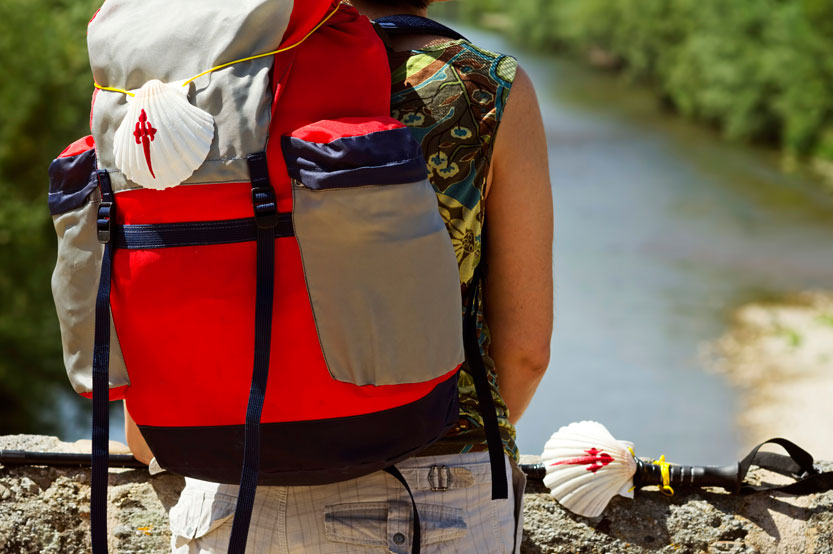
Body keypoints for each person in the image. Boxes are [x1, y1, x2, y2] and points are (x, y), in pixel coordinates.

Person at [125, 1, 552, 552]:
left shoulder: (216, 74)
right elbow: (526, 351)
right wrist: (415, 425)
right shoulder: (482, 85)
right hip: (431, 492)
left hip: (229, 483)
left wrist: (160, 433)